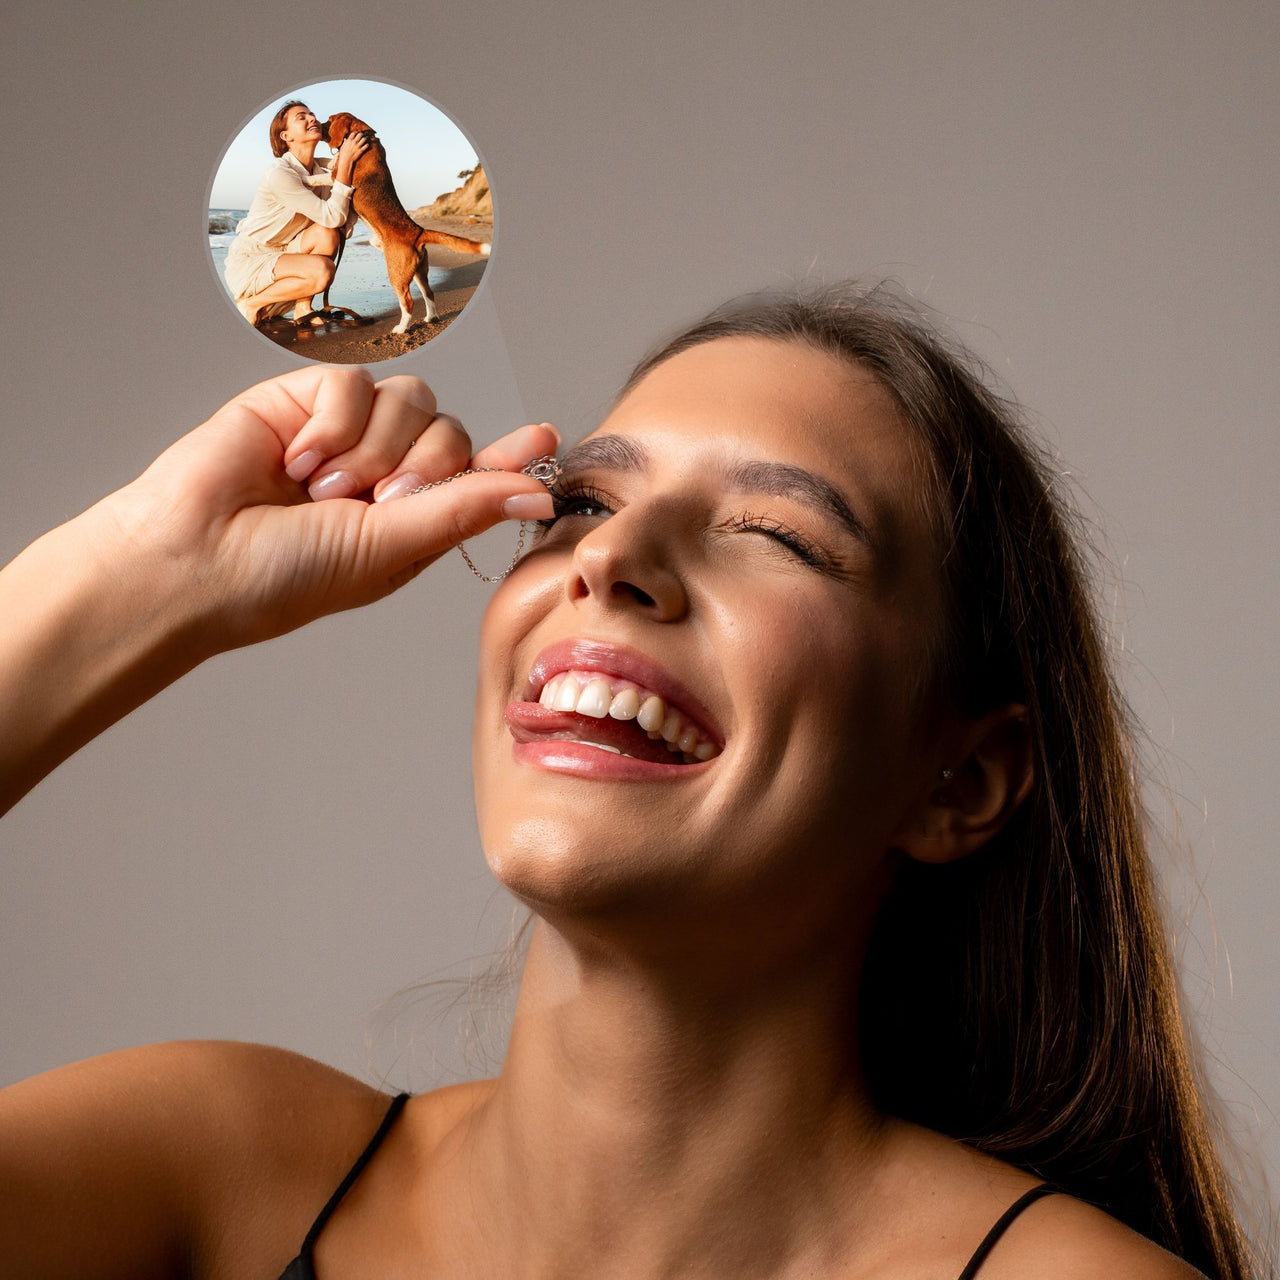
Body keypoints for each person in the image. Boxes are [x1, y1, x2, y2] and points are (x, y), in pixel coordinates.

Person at [0, 286, 1263, 1279]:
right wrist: (140, 579)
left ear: (960, 780)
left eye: (774, 535)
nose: (609, 556)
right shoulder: (215, 1170)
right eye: (580, 500)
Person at [223, 100, 372, 327]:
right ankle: (252, 304)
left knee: (327, 234)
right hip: (253, 260)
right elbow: (334, 215)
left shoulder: (318, 171)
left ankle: (303, 308)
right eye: (301, 117)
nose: (312, 118)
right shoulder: (279, 174)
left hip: (288, 252)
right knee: (323, 272)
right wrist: (345, 164)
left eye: (311, 114)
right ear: (286, 136)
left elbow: (336, 222)